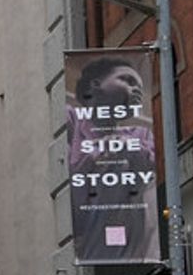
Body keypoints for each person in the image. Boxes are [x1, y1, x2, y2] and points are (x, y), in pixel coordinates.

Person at [66, 54, 159, 264]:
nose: (136, 89)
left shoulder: (140, 134)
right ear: (95, 86)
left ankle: (144, 259)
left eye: (139, 86)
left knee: (147, 183)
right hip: (81, 226)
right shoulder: (71, 119)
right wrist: (109, 149)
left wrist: (121, 148)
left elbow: (149, 165)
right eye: (127, 80)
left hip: (124, 230)